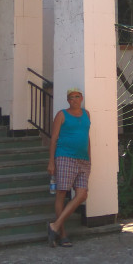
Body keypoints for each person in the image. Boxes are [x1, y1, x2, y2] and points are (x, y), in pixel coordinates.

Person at [47, 87, 91, 248]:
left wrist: (90, 159)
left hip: (83, 160)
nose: (74, 100)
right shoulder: (62, 115)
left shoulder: (87, 114)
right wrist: (51, 161)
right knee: (61, 193)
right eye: (71, 97)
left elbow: (87, 137)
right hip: (65, 157)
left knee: (82, 194)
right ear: (68, 100)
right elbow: (54, 139)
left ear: (81, 98)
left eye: (77, 97)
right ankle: (63, 234)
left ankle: (55, 226)